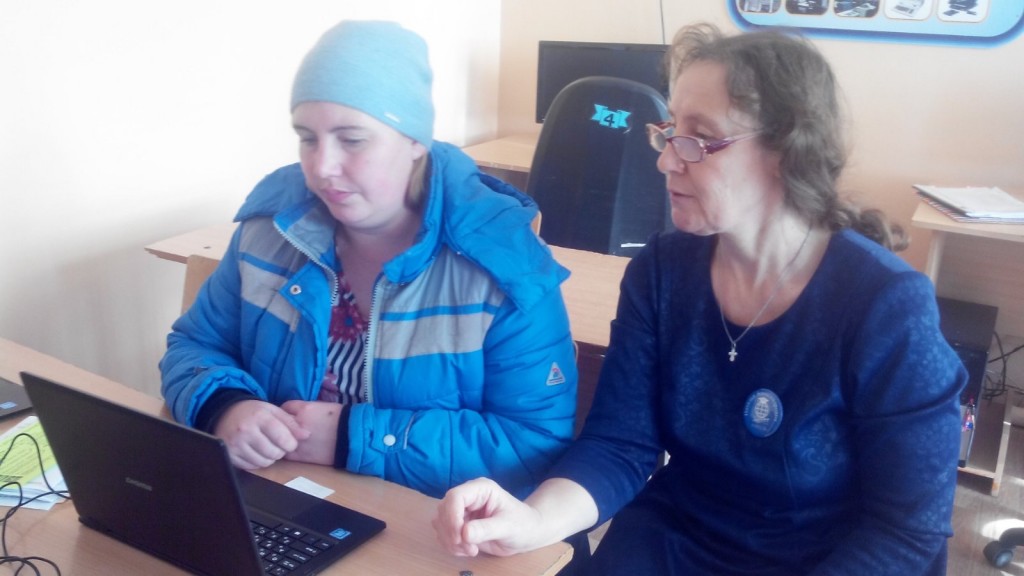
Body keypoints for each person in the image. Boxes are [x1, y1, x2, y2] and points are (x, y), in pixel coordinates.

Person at [433, 23, 966, 575]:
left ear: (786, 150)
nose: (666, 161)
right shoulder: (663, 272)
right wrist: (532, 521)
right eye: (668, 133)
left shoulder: (885, 306)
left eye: (699, 138)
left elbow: (907, 532)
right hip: (676, 539)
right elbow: (620, 444)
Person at [159, 20, 578, 502]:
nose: (321, 166)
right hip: (280, 500)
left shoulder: (506, 268)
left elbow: (533, 442)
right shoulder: (268, 231)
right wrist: (224, 405)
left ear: (415, 140)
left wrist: (353, 438)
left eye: (352, 139)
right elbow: (195, 344)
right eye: (307, 138)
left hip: (432, 524)